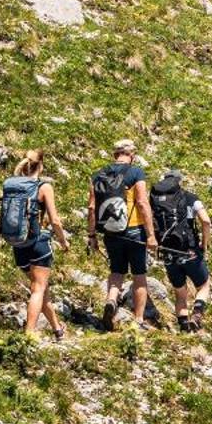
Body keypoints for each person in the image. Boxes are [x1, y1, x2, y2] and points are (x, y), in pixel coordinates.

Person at [0, 149, 69, 340]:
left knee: (40, 289)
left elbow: (1, 217)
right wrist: (63, 242)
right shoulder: (43, 187)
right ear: (40, 165)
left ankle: (57, 329)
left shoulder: (10, 186)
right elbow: (55, 220)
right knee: (38, 289)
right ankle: (29, 334)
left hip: (18, 245)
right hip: (39, 242)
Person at [88, 141, 156, 331]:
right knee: (139, 275)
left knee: (117, 271)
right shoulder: (136, 173)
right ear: (132, 155)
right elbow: (142, 202)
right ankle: (138, 320)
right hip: (134, 230)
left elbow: (92, 207)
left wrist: (92, 235)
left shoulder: (98, 175)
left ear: (115, 154)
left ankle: (111, 300)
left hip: (110, 231)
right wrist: (151, 235)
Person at [149, 170, 212, 331]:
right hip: (189, 251)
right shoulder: (190, 197)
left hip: (168, 252)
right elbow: (205, 221)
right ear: (179, 182)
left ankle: (184, 328)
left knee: (180, 293)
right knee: (204, 286)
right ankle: (197, 315)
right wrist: (204, 244)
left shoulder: (155, 199)